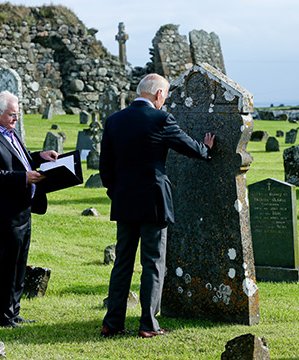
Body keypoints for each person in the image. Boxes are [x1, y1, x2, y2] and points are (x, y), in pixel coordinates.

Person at [99, 73, 215, 338]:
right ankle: (148, 325)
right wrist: (206, 149)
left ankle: (112, 323)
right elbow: (188, 146)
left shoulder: (114, 120)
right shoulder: (161, 119)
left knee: (122, 263)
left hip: (124, 200)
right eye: (166, 96)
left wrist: (115, 192)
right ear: (159, 95)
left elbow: (105, 165)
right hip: (153, 200)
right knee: (153, 262)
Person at [0, 90, 58, 328]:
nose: (15, 119)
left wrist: (39, 156)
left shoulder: (10, 132)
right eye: (12, 115)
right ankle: (2, 316)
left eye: (17, 115)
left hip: (23, 209)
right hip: (5, 213)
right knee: (8, 266)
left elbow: (18, 159)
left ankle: (14, 311)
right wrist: (25, 178)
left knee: (20, 265)